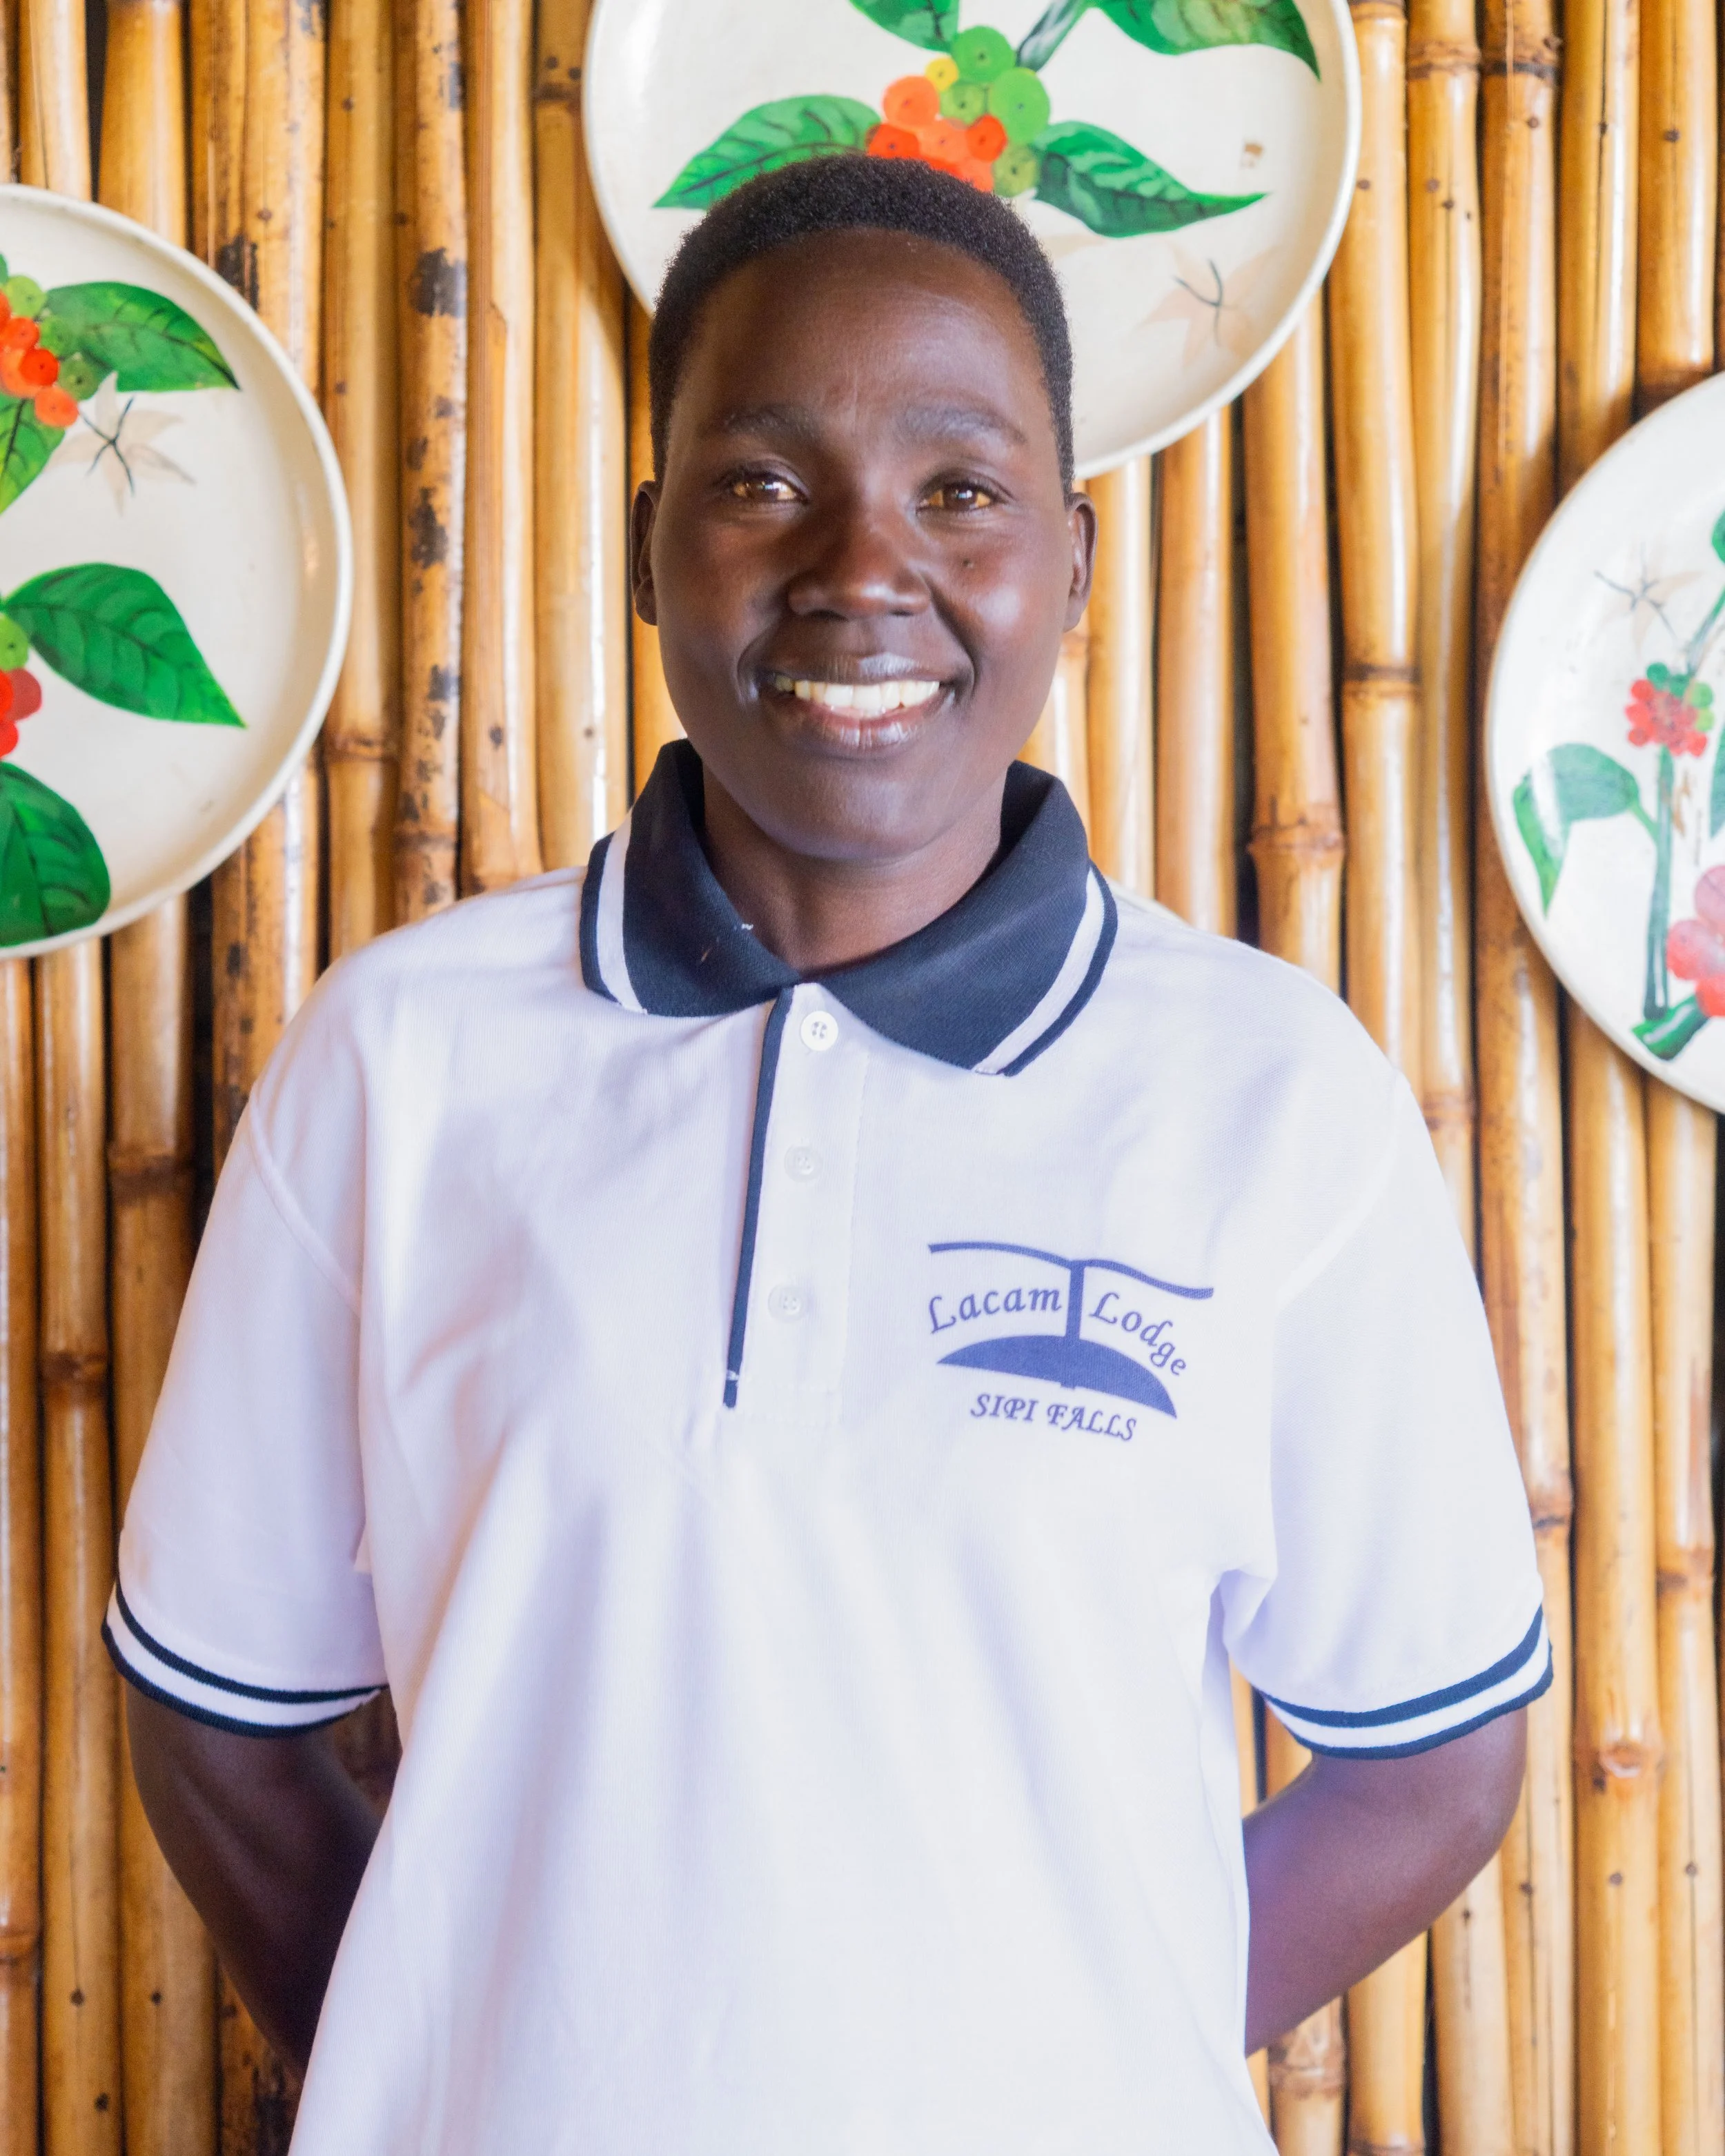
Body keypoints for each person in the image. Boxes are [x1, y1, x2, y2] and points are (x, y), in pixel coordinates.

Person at [111, 157, 1548, 2153]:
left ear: (1071, 559)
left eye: (959, 489)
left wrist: (1066, 2038)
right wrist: (454, 2061)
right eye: (763, 481)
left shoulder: (1268, 1103)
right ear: (645, 547)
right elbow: (220, 1712)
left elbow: (1434, 1758)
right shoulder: (405, 1061)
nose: (861, 566)